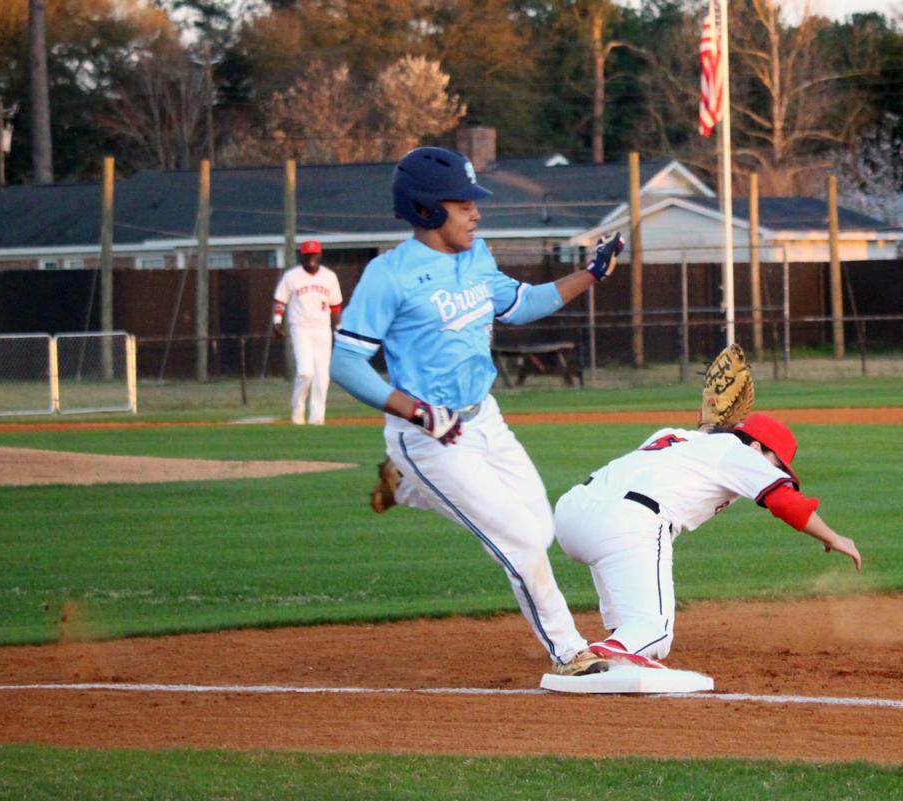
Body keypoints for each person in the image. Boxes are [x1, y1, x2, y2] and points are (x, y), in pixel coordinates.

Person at [330, 146, 626, 677]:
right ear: (425, 209)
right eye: (463, 203)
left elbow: (522, 306)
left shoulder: (475, 256)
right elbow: (346, 362)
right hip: (430, 433)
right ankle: (568, 651)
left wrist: (591, 275)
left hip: (484, 417)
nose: (476, 212)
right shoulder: (388, 275)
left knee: (540, 530)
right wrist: (414, 411)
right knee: (516, 540)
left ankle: (403, 486)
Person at [552, 413, 862, 669]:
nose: (775, 472)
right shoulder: (741, 455)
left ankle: (620, 641)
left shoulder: (675, 436)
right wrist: (834, 537)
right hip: (627, 523)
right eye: (776, 464)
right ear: (756, 448)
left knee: (630, 617)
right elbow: (786, 503)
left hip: (571, 514)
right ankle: (593, 657)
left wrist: (711, 428)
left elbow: (700, 445)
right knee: (655, 632)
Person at [273, 240, 343, 425]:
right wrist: (277, 321)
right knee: (305, 372)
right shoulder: (292, 276)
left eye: (314, 255)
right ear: (301, 256)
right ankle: (297, 411)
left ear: (319, 256)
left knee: (322, 375)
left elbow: (335, 306)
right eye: (307, 256)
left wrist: (338, 329)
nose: (311, 259)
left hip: (322, 328)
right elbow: (281, 301)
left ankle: (317, 418)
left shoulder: (329, 277)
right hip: (300, 327)